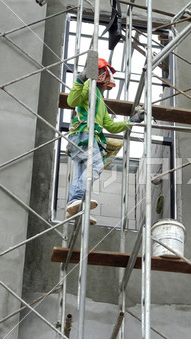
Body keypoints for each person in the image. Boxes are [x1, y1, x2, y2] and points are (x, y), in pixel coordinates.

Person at [66, 57, 144, 224]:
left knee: (80, 172)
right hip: (84, 134)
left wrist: (132, 121)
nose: (108, 87)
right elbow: (72, 101)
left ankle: (75, 205)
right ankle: (79, 198)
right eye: (107, 83)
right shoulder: (90, 86)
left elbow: (110, 126)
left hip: (81, 136)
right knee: (95, 165)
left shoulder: (99, 98)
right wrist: (81, 79)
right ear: (102, 78)